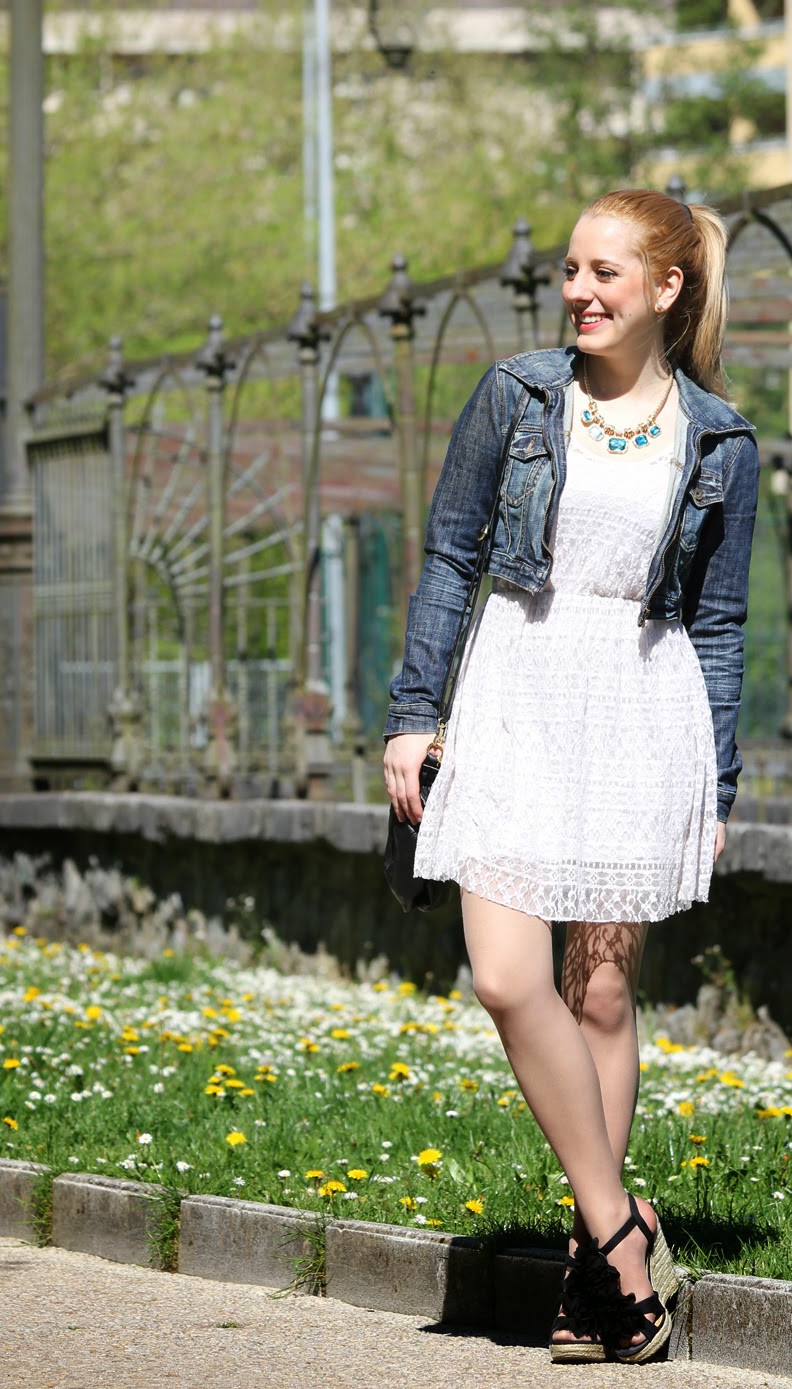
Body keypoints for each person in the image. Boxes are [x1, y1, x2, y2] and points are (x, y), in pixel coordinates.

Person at [382, 188, 760, 1364]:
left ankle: (589, 1275)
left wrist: (715, 787)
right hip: (512, 692)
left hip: (638, 713)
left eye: (605, 273)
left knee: (596, 995)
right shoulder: (517, 396)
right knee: (507, 979)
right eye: (569, 270)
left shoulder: (719, 442)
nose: (579, 292)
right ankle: (619, 1232)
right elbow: (450, 558)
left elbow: (717, 626)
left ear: (665, 288)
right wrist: (413, 715)